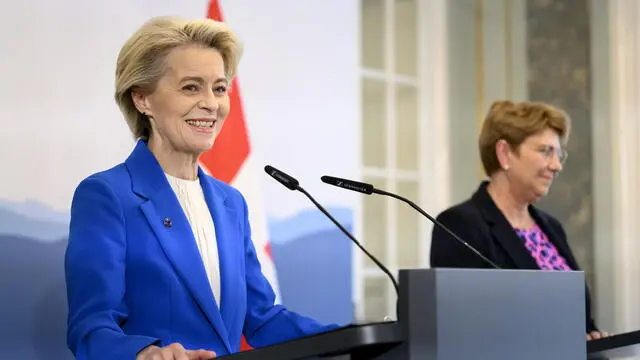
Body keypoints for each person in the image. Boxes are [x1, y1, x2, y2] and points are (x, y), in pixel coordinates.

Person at [64, 16, 339, 360]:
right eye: (191, 87)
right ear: (142, 99)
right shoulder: (106, 196)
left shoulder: (231, 203)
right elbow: (90, 328)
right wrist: (145, 354)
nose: (211, 103)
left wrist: (356, 337)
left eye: (220, 88)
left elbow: (262, 319)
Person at [430, 100, 609, 341]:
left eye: (559, 154)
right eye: (546, 151)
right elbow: (467, 332)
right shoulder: (460, 225)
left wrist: (594, 340)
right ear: (505, 153)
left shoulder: (552, 227)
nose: (556, 166)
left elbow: (581, 321)